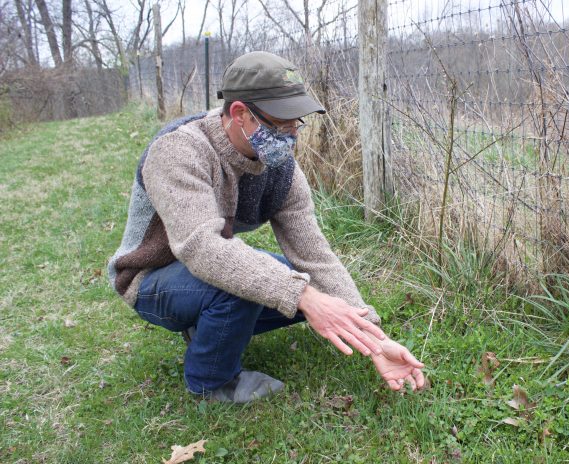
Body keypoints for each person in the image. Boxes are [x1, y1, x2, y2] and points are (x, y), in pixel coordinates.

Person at [107, 51, 426, 403]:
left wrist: (374, 338)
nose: (291, 136)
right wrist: (305, 297)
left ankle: (209, 325)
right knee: (262, 286)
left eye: (296, 123)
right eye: (280, 124)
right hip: (150, 277)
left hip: (202, 270)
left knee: (300, 279)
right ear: (240, 113)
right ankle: (211, 384)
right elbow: (203, 248)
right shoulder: (179, 151)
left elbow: (314, 256)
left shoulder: (281, 169)